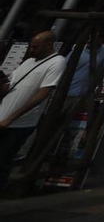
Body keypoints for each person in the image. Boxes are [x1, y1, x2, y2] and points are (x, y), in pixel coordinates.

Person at [0, 31, 66, 189]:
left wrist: (12, 117)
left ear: (48, 44)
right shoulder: (28, 62)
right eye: (31, 46)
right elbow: (10, 86)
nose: (31, 50)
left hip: (20, 123)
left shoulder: (56, 62)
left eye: (35, 47)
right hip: (3, 117)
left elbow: (43, 94)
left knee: (3, 159)